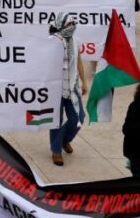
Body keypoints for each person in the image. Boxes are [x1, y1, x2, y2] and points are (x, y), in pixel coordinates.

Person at [49, 14, 86, 167]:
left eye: (73, 23)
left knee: (78, 117)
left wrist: (84, 82)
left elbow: (79, 61)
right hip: (56, 87)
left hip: (72, 87)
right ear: (61, 24)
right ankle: (56, 150)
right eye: (69, 23)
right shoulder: (51, 41)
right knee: (56, 120)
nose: (72, 26)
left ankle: (65, 139)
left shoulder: (76, 41)